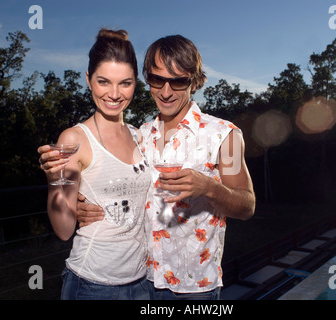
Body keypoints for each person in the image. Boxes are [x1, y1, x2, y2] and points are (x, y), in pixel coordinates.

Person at [77, 34, 256, 300]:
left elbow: (247, 206)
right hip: (138, 281)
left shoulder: (224, 135)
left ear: (194, 82)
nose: (166, 91)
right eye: (157, 79)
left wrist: (208, 187)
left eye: (179, 81)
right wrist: (80, 204)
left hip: (194, 289)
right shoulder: (140, 136)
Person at [37, 28, 151, 300]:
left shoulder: (141, 136)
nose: (114, 94)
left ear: (136, 83)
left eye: (125, 83)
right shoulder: (74, 138)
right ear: (88, 80)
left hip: (142, 282)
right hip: (93, 285)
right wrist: (55, 181)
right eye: (103, 82)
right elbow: (64, 230)